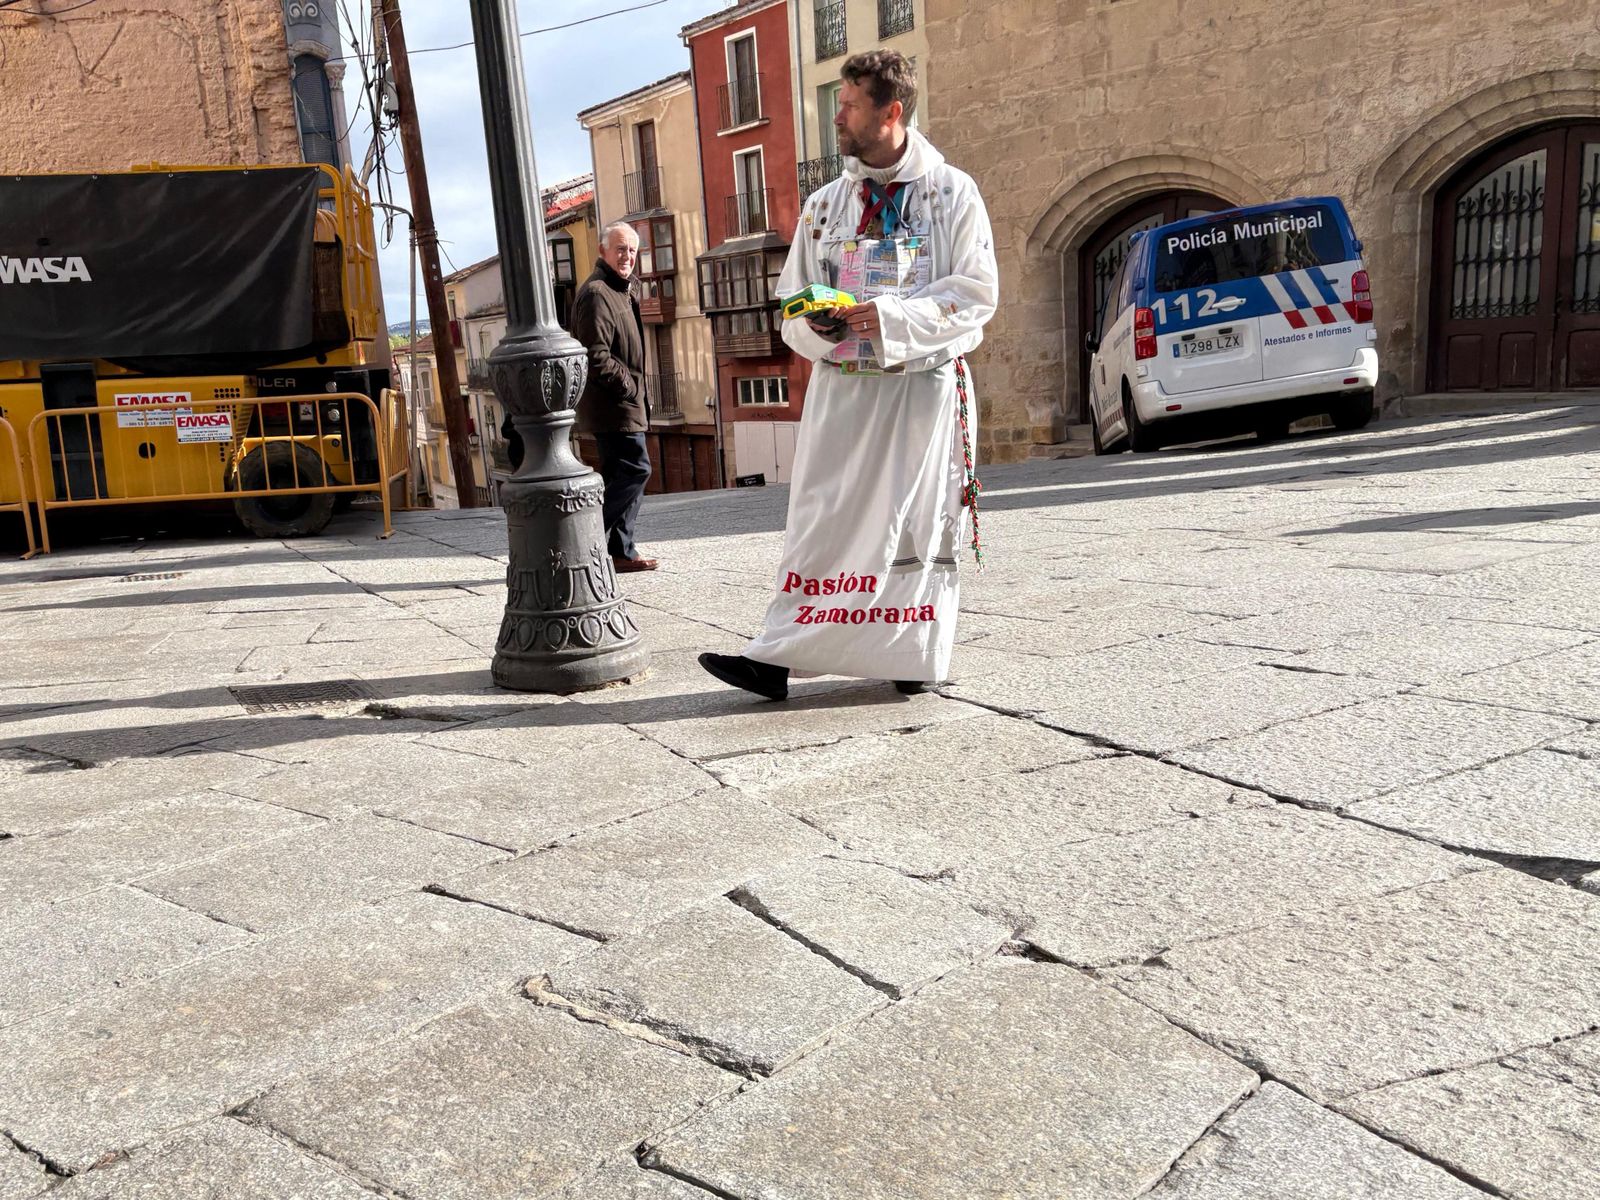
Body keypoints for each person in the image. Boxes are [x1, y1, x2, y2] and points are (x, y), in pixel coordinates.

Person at [698, 49, 998, 701]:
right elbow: (791, 299)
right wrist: (820, 324)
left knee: (915, 521)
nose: (837, 117)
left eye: (851, 105)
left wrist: (886, 317)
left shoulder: (953, 194)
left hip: (920, 390)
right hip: (842, 390)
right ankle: (777, 656)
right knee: (822, 518)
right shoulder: (825, 206)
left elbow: (976, 293)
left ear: (892, 112)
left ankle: (911, 656)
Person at [574, 222, 657, 572]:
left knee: (622, 474)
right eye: (620, 249)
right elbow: (595, 356)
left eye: (632, 250)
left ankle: (620, 549)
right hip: (614, 406)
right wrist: (630, 389)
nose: (627, 256)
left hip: (624, 405)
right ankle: (583, 540)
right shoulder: (597, 293)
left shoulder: (620, 290)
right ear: (602, 251)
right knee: (636, 469)